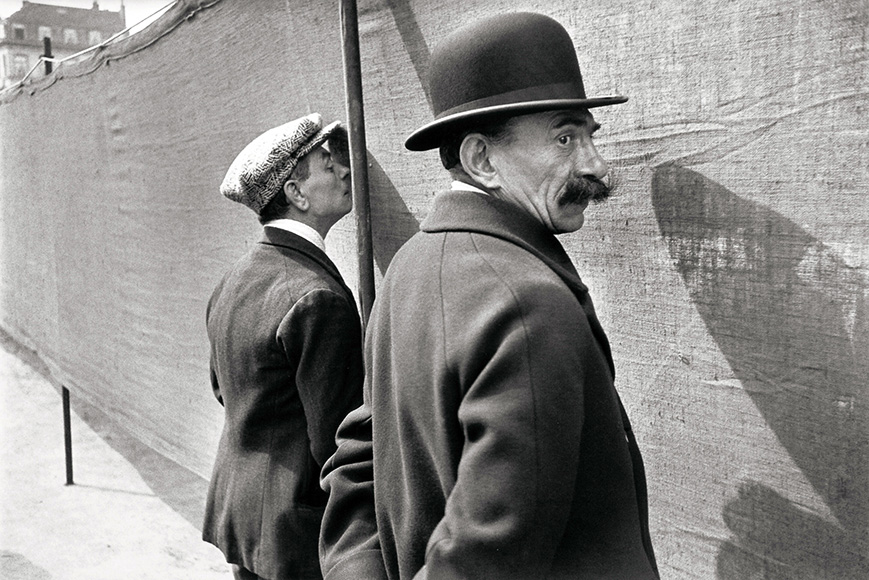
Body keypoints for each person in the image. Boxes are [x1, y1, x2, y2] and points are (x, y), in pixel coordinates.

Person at [319, 12, 659, 580]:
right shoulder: (529, 304)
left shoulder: (408, 268)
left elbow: (359, 459)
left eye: (590, 137)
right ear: (481, 159)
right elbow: (488, 556)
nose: (595, 166)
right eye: (564, 137)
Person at [203, 113, 364, 580]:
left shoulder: (235, 277)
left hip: (241, 514)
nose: (345, 171)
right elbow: (336, 439)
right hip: (296, 533)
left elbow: (223, 388)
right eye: (327, 163)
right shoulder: (317, 296)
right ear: (296, 193)